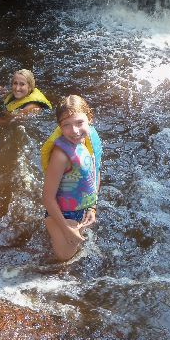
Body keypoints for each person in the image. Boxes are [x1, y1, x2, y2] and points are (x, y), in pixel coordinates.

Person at [41, 95, 103, 261]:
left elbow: (95, 171)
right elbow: (47, 197)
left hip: (81, 210)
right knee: (64, 260)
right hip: (63, 215)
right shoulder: (61, 156)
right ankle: (53, 228)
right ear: (59, 127)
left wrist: (92, 208)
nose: (75, 131)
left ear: (89, 119)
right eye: (66, 125)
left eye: (79, 122)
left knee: (75, 255)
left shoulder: (89, 141)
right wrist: (66, 229)